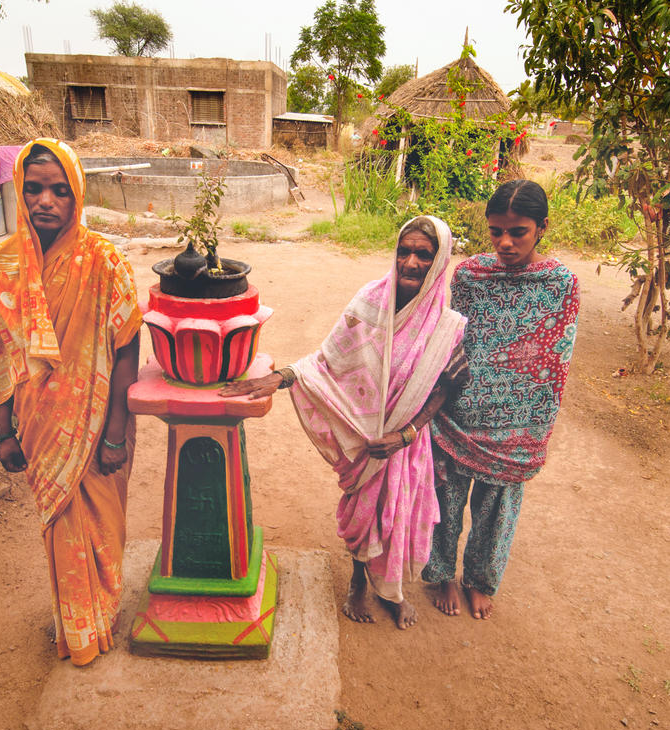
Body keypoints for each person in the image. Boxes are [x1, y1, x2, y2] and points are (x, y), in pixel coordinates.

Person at [220, 216, 469, 629]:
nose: (409, 262)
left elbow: (448, 386)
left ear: (439, 261)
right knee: (365, 512)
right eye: (403, 251)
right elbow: (328, 359)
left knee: (399, 514)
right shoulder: (370, 300)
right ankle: (357, 581)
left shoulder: (444, 325)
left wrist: (405, 435)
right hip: (367, 439)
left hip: (405, 443)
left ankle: (392, 591)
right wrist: (280, 378)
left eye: (423, 255)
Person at [0, 139, 142, 665]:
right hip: (39, 423)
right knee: (60, 525)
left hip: (98, 425)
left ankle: (101, 618)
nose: (45, 200)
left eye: (58, 190)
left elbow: (126, 349)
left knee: (100, 524)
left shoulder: (104, 261)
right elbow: (1, 350)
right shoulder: (1, 266)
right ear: (20, 193)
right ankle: (76, 629)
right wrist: (3, 431)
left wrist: (116, 432)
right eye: (33, 189)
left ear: (76, 194)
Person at [422, 179, 580, 620]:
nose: (505, 243)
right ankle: (442, 575)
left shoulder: (561, 285)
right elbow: (455, 340)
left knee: (497, 511)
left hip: (517, 423)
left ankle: (479, 581)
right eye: (496, 232)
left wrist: (535, 427)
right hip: (459, 412)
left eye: (518, 232)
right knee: (445, 501)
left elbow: (556, 359)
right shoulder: (470, 275)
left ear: (542, 227)